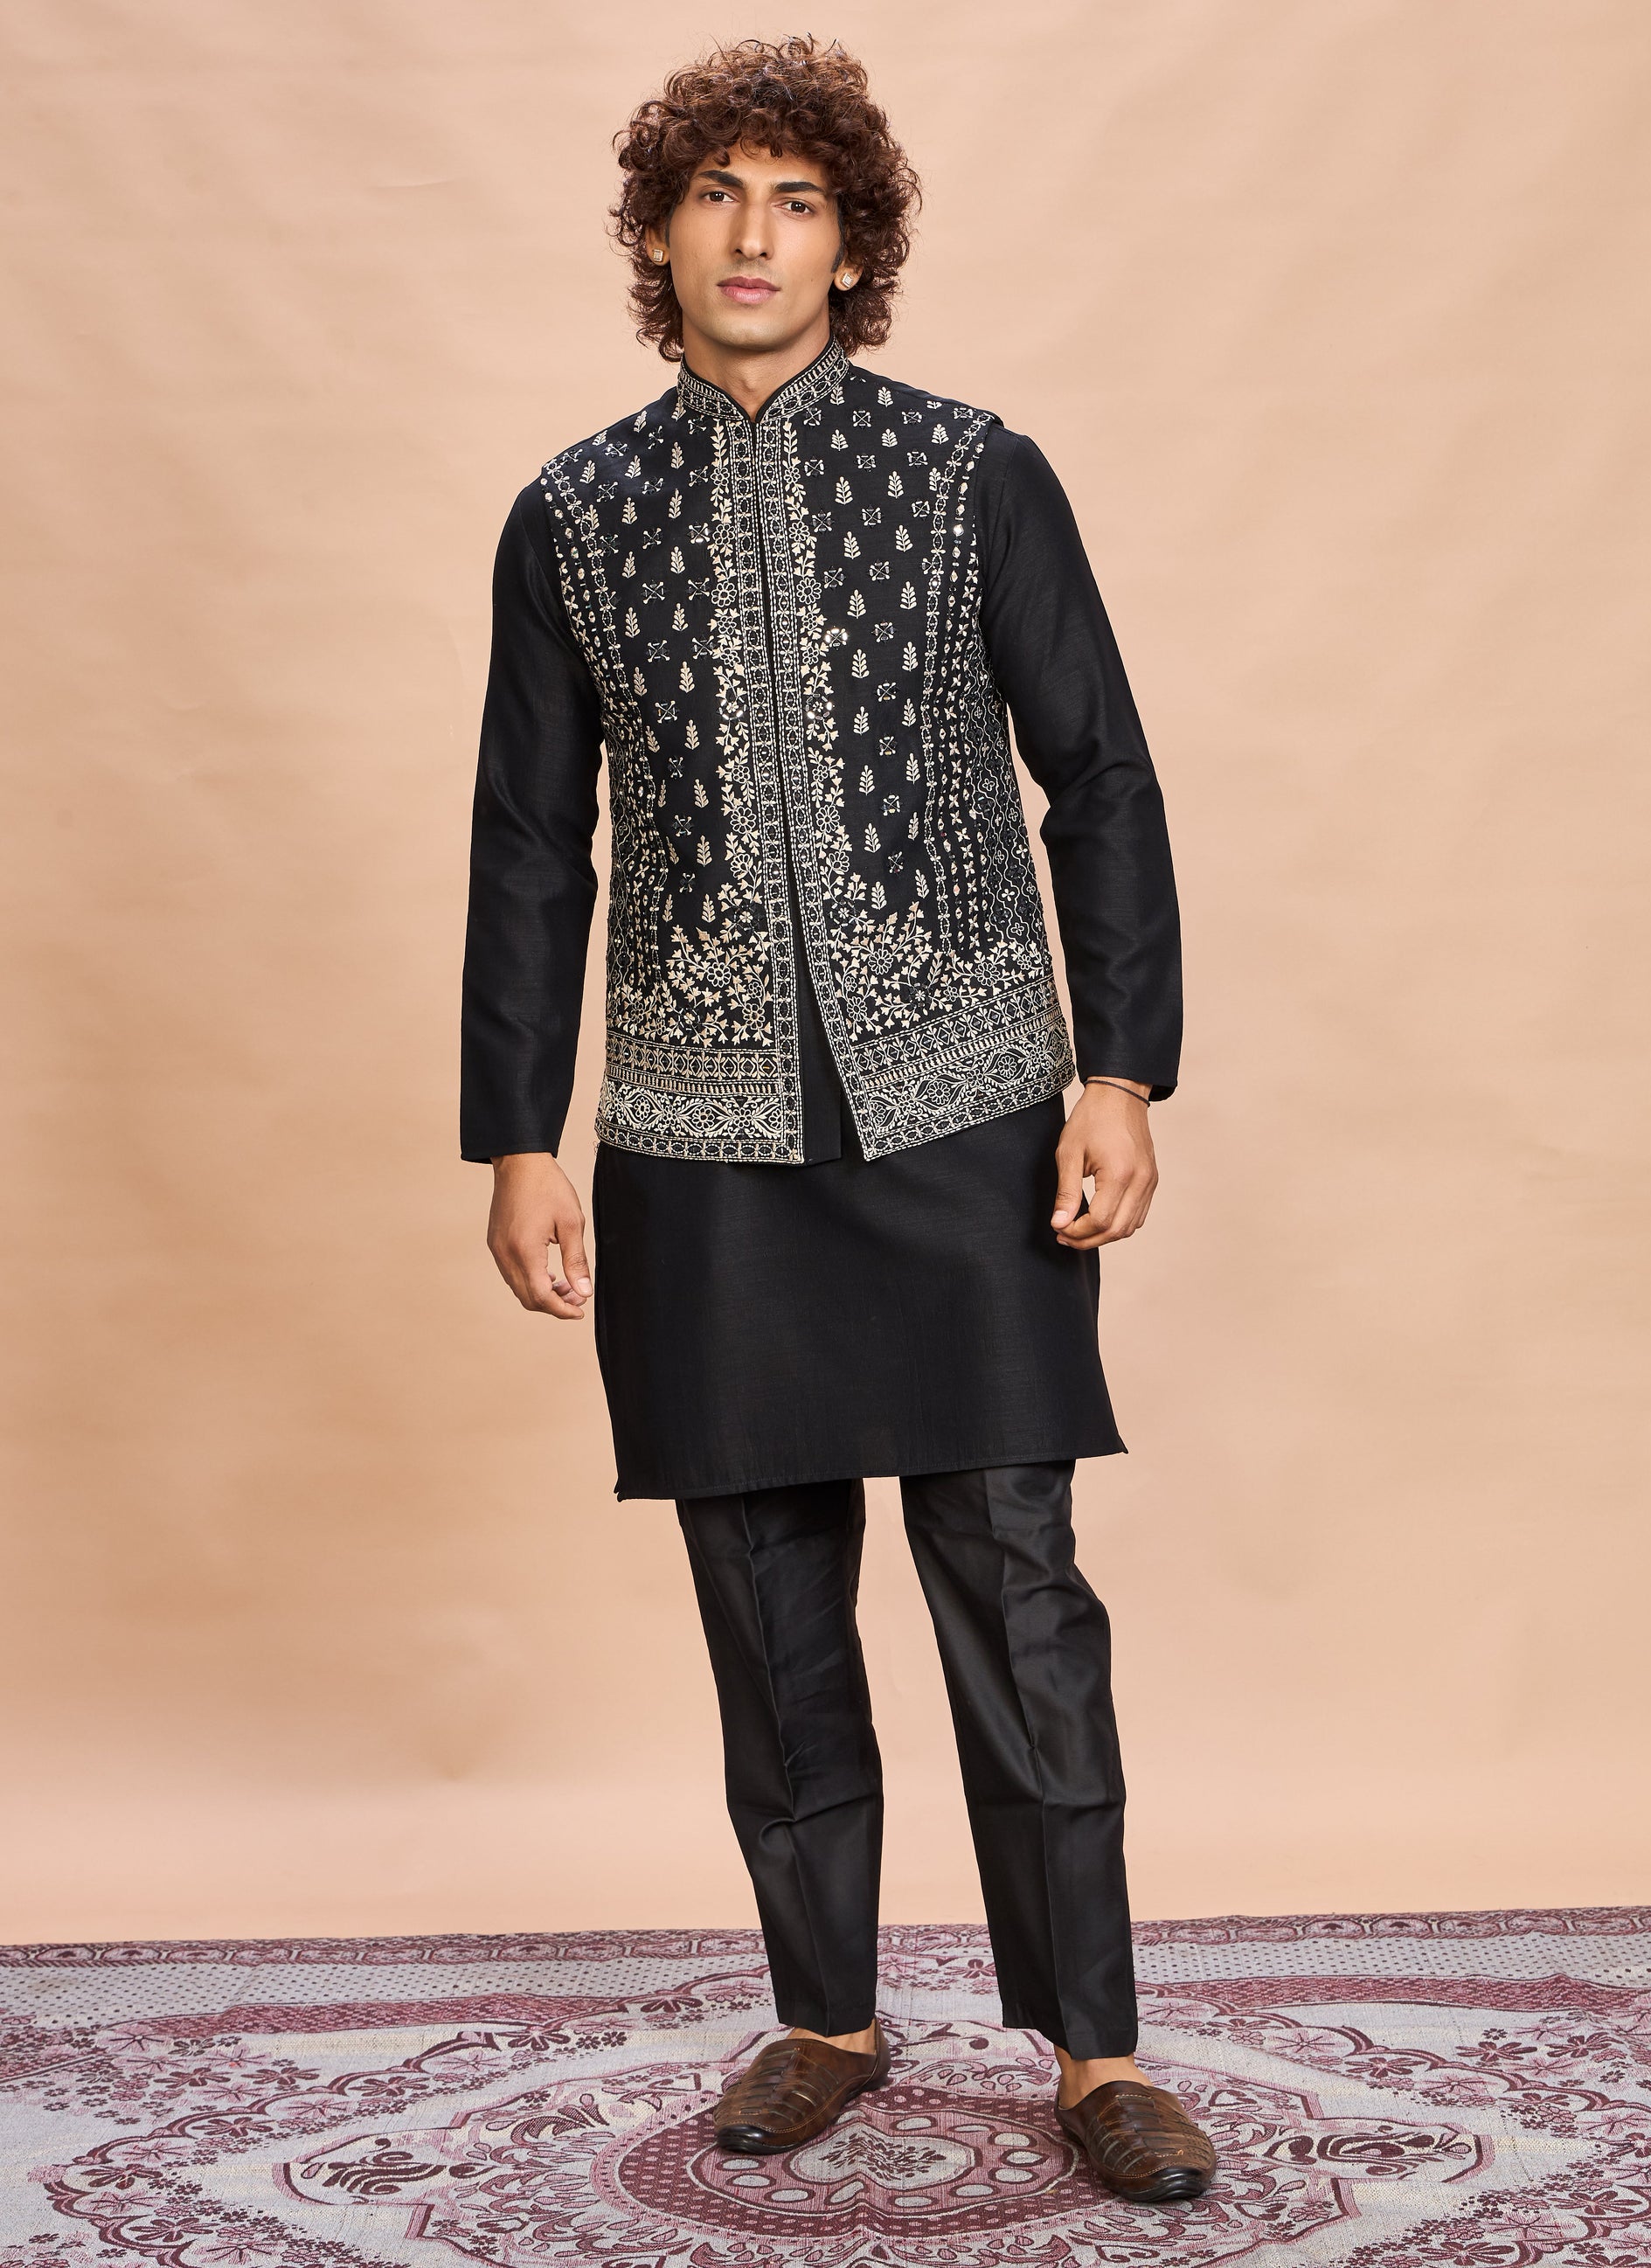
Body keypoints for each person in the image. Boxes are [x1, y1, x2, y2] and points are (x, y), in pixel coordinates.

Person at [459, 34, 1211, 2208]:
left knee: (1018, 1590)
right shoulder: (573, 513)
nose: (754, 235)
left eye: (797, 199)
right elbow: (530, 839)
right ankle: (826, 2015)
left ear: (852, 244)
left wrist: (1118, 1067)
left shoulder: (975, 473)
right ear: (660, 231)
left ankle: (1096, 2047)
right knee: (765, 1603)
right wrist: (519, 1133)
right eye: (718, 193)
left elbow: (1102, 772)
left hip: (964, 1105)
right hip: (695, 1137)